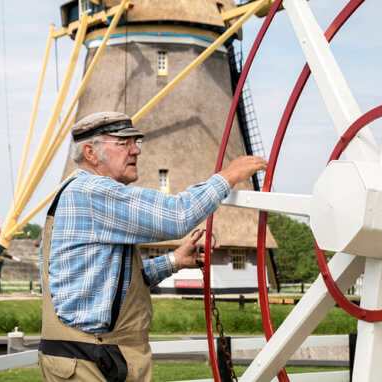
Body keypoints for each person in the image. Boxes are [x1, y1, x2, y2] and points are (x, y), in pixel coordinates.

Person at [38, 111, 267, 381]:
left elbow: (107, 282)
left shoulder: (78, 192)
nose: (136, 151)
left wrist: (174, 261)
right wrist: (228, 176)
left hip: (95, 355)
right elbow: (178, 214)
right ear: (90, 151)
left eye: (137, 142)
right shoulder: (92, 192)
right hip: (89, 360)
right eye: (124, 143)